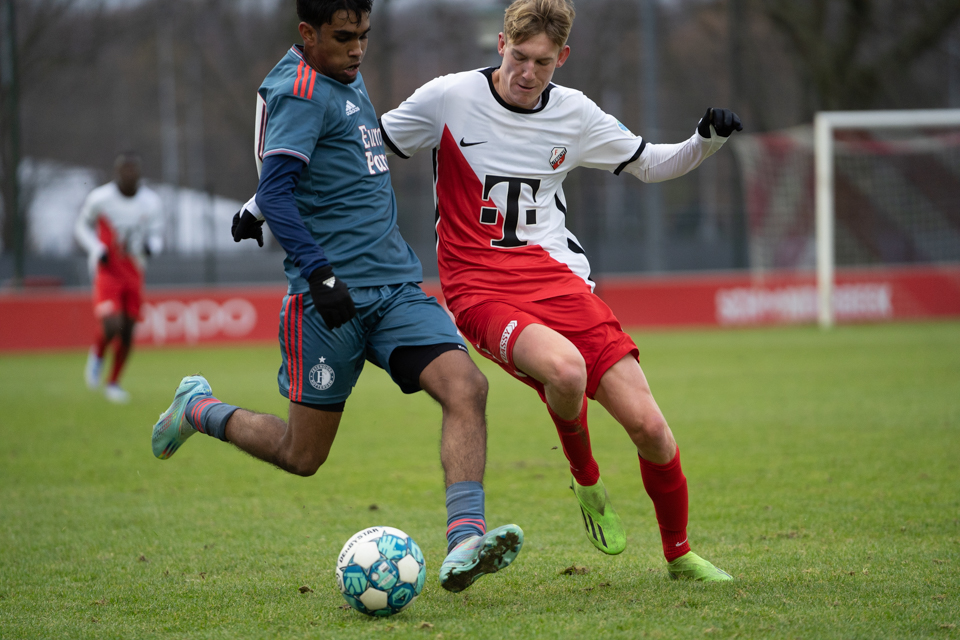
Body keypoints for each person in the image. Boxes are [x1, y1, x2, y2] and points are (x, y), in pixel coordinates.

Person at [152, 0, 521, 594]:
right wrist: (319, 271)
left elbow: (324, 161)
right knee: (303, 456)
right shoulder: (297, 90)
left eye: (365, 36)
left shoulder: (343, 71)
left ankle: (465, 542)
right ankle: (198, 409)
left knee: (467, 387)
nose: (358, 49)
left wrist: (253, 202)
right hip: (329, 300)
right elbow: (279, 190)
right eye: (344, 37)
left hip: (395, 286)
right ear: (308, 33)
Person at [376, 0, 741, 581]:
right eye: (518, 57)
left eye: (542, 62)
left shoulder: (574, 114)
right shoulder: (447, 98)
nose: (527, 72)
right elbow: (364, 152)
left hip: (559, 282)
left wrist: (705, 140)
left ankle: (679, 554)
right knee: (566, 372)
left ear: (562, 58)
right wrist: (264, 204)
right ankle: (586, 476)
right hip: (479, 288)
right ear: (500, 44)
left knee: (651, 428)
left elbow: (651, 164)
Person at [75, 152, 163, 404]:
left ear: (139, 173)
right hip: (107, 270)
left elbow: (157, 236)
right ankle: (98, 354)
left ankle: (113, 383)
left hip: (134, 271)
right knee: (112, 324)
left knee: (127, 331)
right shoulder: (100, 199)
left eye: (133, 170)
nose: (129, 174)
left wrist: (151, 248)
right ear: (117, 172)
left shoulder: (151, 202)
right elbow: (81, 227)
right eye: (125, 170)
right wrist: (96, 249)